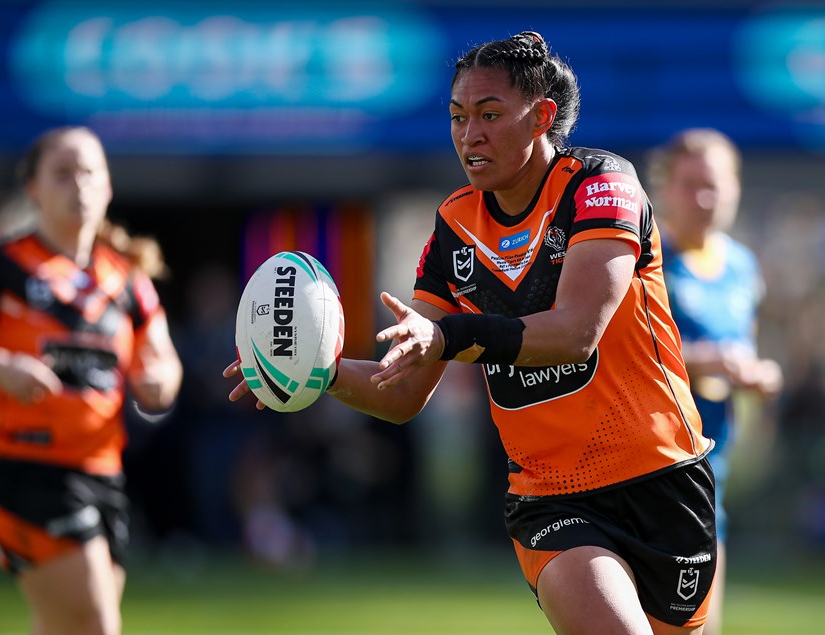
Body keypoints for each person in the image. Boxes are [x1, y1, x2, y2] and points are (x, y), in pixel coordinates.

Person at [225, 32, 716, 634]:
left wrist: (450, 336)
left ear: (542, 117)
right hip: (553, 499)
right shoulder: (455, 226)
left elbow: (575, 333)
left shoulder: (601, 184)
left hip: (666, 479)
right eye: (458, 117)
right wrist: (313, 372)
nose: (469, 135)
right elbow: (404, 393)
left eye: (489, 115)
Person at [0, 126, 183, 635]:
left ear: (109, 187)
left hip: (102, 472)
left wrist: (159, 380)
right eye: (63, 172)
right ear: (33, 189)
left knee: (59, 627)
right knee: (96, 625)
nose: (79, 185)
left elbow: (162, 362)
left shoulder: (128, 281)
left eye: (90, 172)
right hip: (26, 470)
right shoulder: (2, 267)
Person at [647, 128, 783, 635]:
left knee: (703, 629)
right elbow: (617, 352)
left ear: (736, 188)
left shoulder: (741, 267)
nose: (704, 198)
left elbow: (743, 352)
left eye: (715, 184)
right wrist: (705, 360)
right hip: (644, 469)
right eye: (690, 185)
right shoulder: (647, 260)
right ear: (665, 190)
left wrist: (760, 376)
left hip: (708, 472)